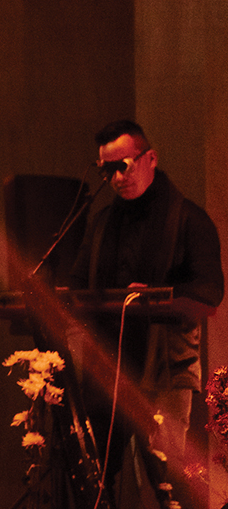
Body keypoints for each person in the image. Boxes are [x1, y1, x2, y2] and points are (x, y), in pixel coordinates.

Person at [68, 120, 223, 509]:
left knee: (168, 481)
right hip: (109, 369)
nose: (117, 177)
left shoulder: (188, 219)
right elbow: (77, 285)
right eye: (107, 169)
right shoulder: (102, 223)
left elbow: (210, 293)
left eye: (124, 165)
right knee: (99, 477)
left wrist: (157, 297)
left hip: (165, 372)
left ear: (150, 159)